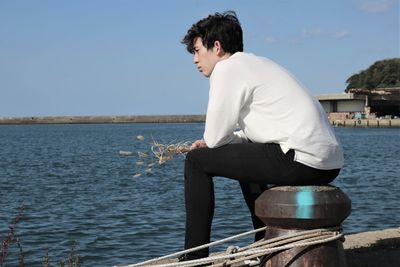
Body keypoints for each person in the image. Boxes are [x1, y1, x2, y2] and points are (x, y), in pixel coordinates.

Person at [180, 11, 344, 261]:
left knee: (196, 162)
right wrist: (223, 141)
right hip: (327, 164)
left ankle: (193, 257)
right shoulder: (258, 64)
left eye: (197, 50)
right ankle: (262, 239)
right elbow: (247, 138)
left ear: (217, 46)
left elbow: (214, 139)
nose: (194, 59)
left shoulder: (227, 69)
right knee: (247, 160)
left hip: (300, 159)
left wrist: (207, 145)